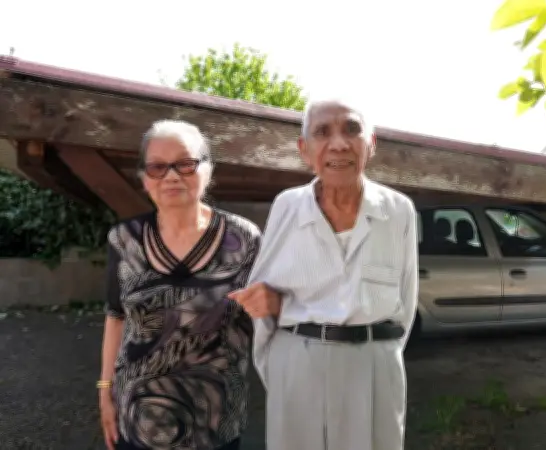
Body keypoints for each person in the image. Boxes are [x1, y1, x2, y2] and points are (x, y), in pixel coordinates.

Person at [229, 96, 419, 450]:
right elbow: (262, 291)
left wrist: (381, 356)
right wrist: (279, 351)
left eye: (352, 130)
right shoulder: (287, 206)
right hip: (298, 359)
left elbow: (407, 299)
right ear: (304, 149)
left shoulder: (398, 210)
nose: (338, 144)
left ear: (371, 144)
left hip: (374, 363)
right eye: (322, 132)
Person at [98, 120, 262, 450]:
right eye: (158, 167)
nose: (172, 176)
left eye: (185, 164)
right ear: (145, 178)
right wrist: (105, 390)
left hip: (215, 421)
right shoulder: (124, 240)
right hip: (138, 419)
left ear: (208, 170)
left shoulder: (244, 240)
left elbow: (266, 318)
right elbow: (116, 317)